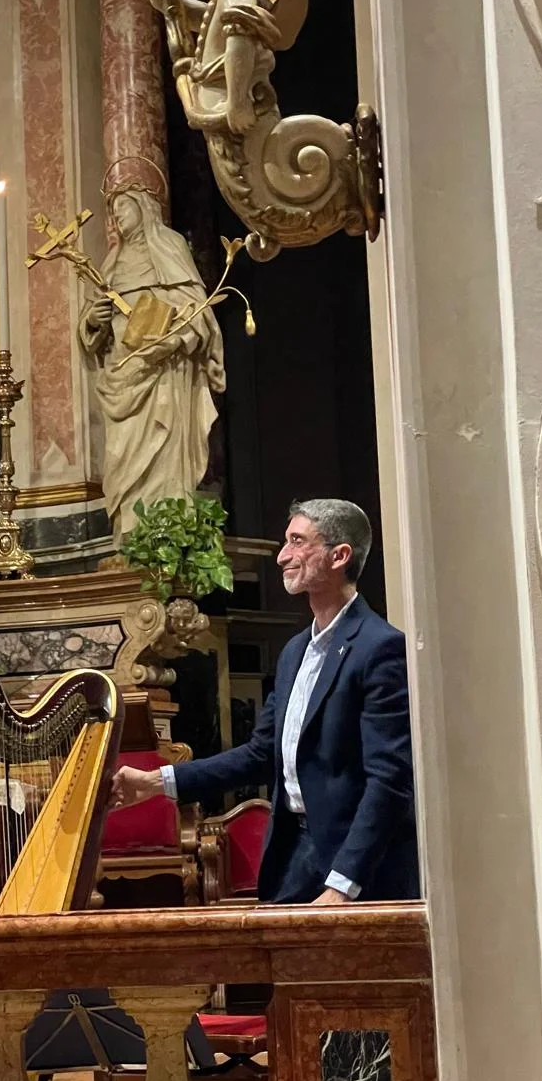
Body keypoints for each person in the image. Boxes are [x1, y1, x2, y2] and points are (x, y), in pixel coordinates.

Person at [110, 498, 418, 904]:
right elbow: (260, 754)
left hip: (356, 869)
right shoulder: (294, 652)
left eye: (297, 541)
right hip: (295, 858)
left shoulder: (380, 648)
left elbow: (390, 781)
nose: (282, 556)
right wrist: (156, 783)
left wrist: (344, 884)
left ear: (340, 555)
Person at [78, 187, 225, 539]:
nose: (117, 216)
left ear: (144, 207)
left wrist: (171, 338)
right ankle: (129, 529)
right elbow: (91, 325)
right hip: (123, 371)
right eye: (113, 210)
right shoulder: (111, 262)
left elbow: (197, 310)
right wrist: (95, 320)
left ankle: (168, 528)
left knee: (165, 446)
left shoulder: (169, 245)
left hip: (164, 371)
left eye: (124, 207)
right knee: (122, 454)